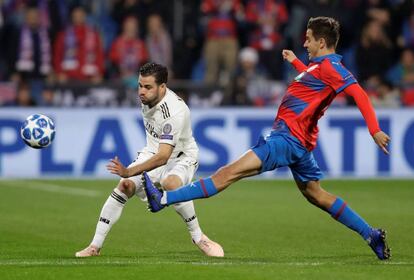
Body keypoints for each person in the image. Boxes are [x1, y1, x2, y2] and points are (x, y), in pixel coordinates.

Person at [139, 17, 392, 260]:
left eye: (308, 39)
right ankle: (371, 235)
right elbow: (315, 85)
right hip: (299, 143)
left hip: (286, 139)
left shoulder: (332, 67)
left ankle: (163, 199)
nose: (304, 44)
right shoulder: (318, 68)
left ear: (322, 43)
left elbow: (358, 94)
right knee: (317, 195)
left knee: (227, 173)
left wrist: (374, 130)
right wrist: (296, 64)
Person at [76, 63, 224, 258]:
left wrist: (130, 170)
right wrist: (129, 176)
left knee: (170, 183)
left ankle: (198, 237)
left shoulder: (174, 112)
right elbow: (158, 152)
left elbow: (164, 157)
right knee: (125, 186)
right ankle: (94, 246)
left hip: (181, 157)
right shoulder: (147, 98)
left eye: (147, 87)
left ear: (162, 87)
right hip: (153, 151)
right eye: (140, 85)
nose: (141, 92)